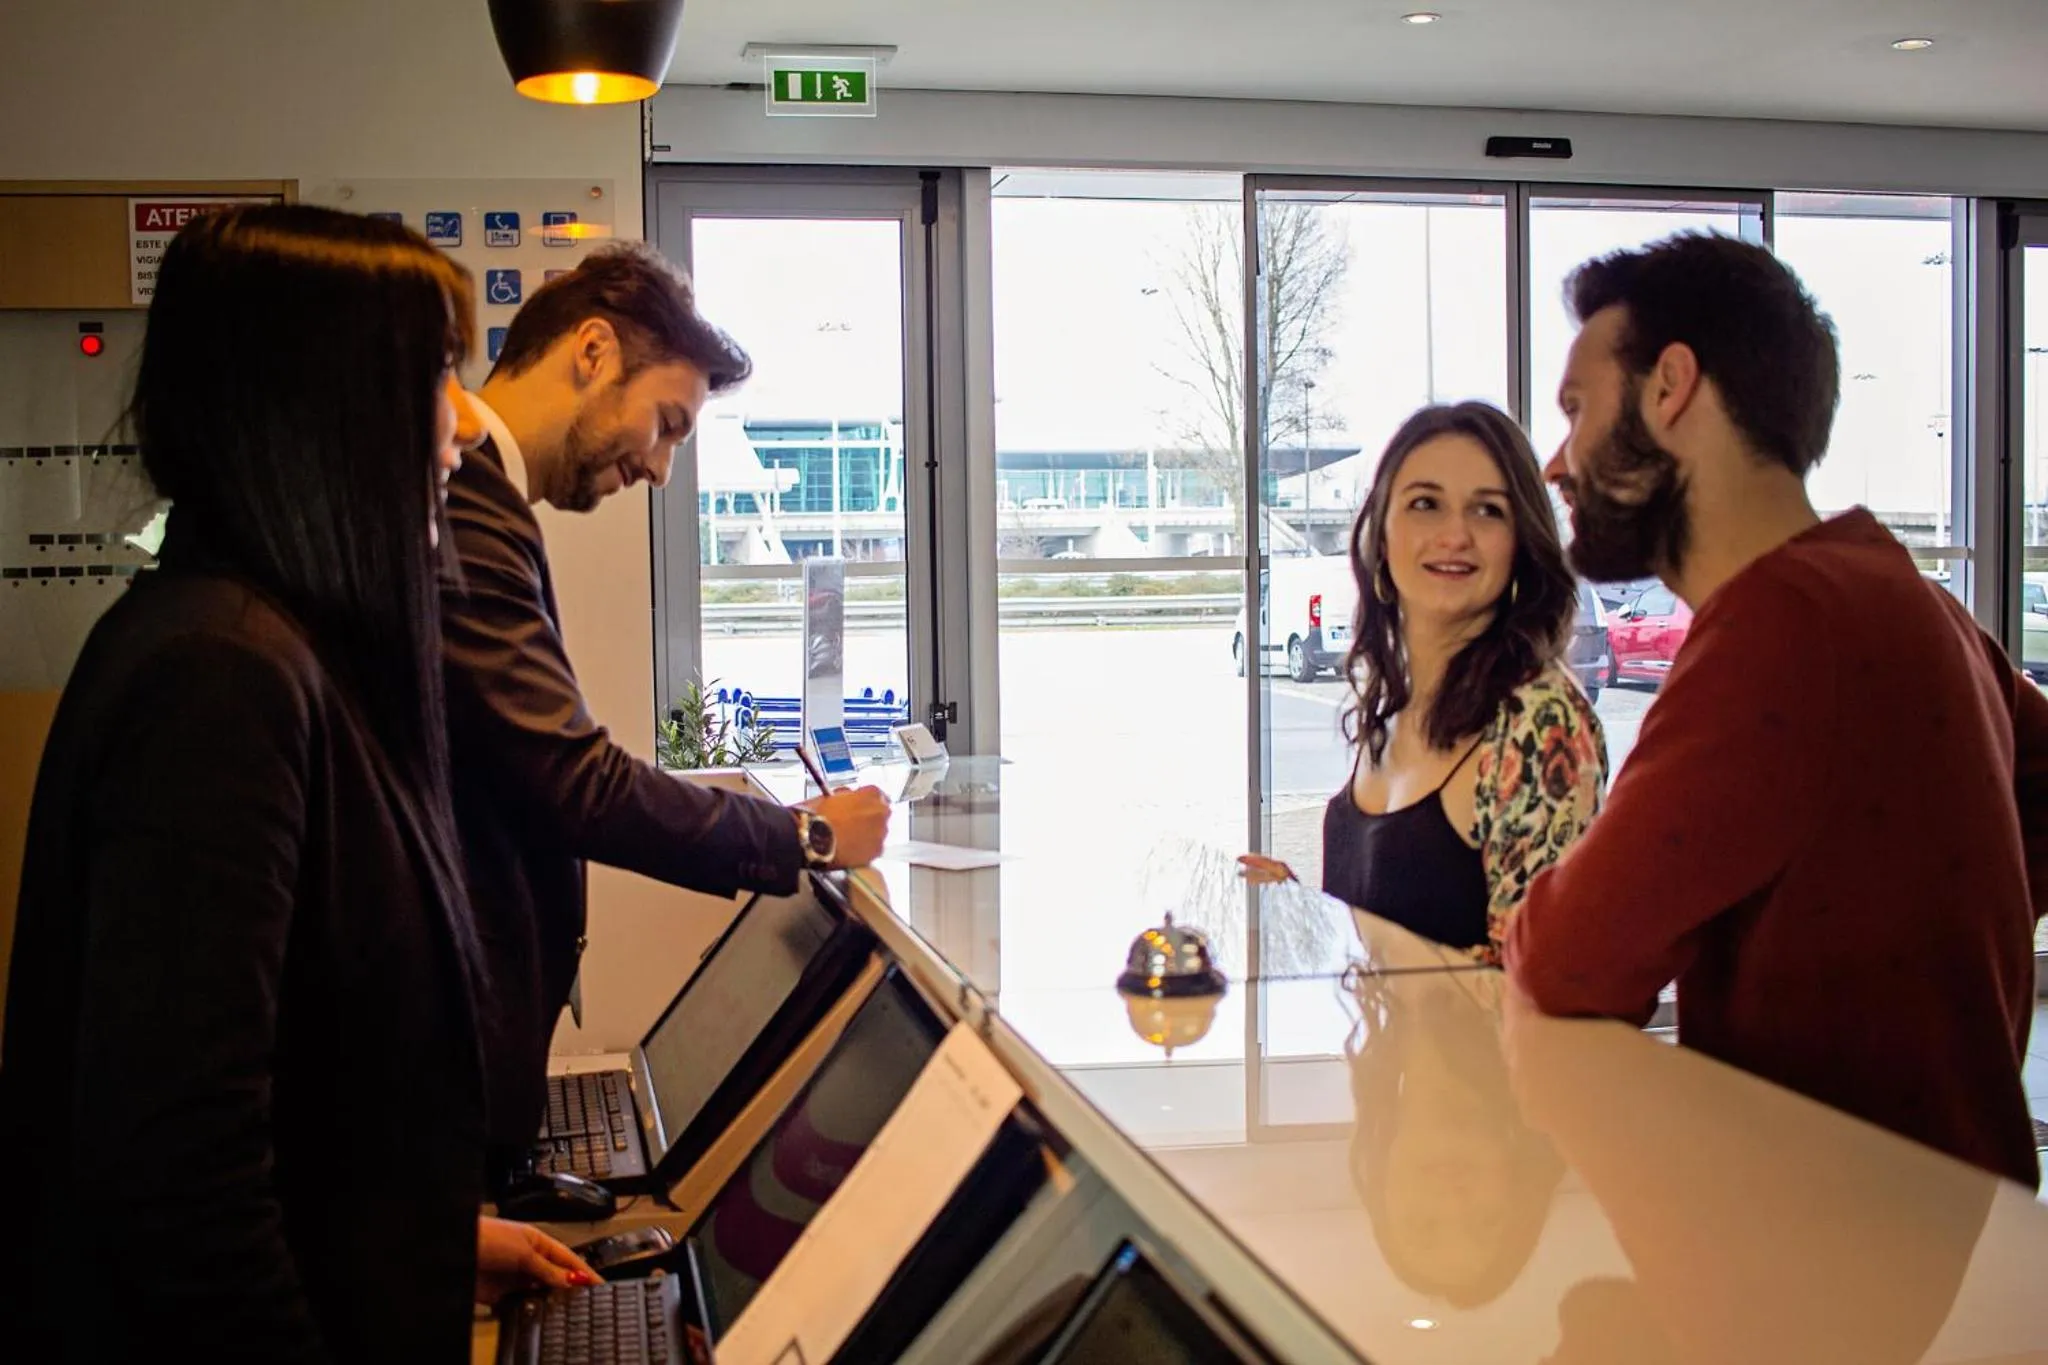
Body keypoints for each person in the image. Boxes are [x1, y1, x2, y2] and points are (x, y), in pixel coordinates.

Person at [0, 205, 591, 1361]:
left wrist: (423, 1242)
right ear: (329, 408)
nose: (459, 429)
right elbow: (182, 1183)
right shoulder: (218, 674)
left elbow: (300, 1092)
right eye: (434, 380)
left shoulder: (273, 645)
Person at [1505, 232, 2048, 1186]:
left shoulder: (1777, 624)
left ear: (1671, 387)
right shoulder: (1912, 600)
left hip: (1829, 1233)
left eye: (1578, 408)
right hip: (1949, 1222)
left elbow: (1567, 956)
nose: (1556, 462)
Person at [441, 242, 891, 1173]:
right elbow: (573, 781)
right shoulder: (469, 506)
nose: (660, 469)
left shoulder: (485, 504)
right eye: (668, 424)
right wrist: (803, 836)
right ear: (593, 350)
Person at [1242, 403, 1607, 962]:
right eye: (1425, 504)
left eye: (1487, 510)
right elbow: (1394, 939)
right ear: (1381, 537)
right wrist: (1299, 910)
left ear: (1520, 543)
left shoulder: (1539, 722)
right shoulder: (1394, 703)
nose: (1455, 534)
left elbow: (1540, 982)